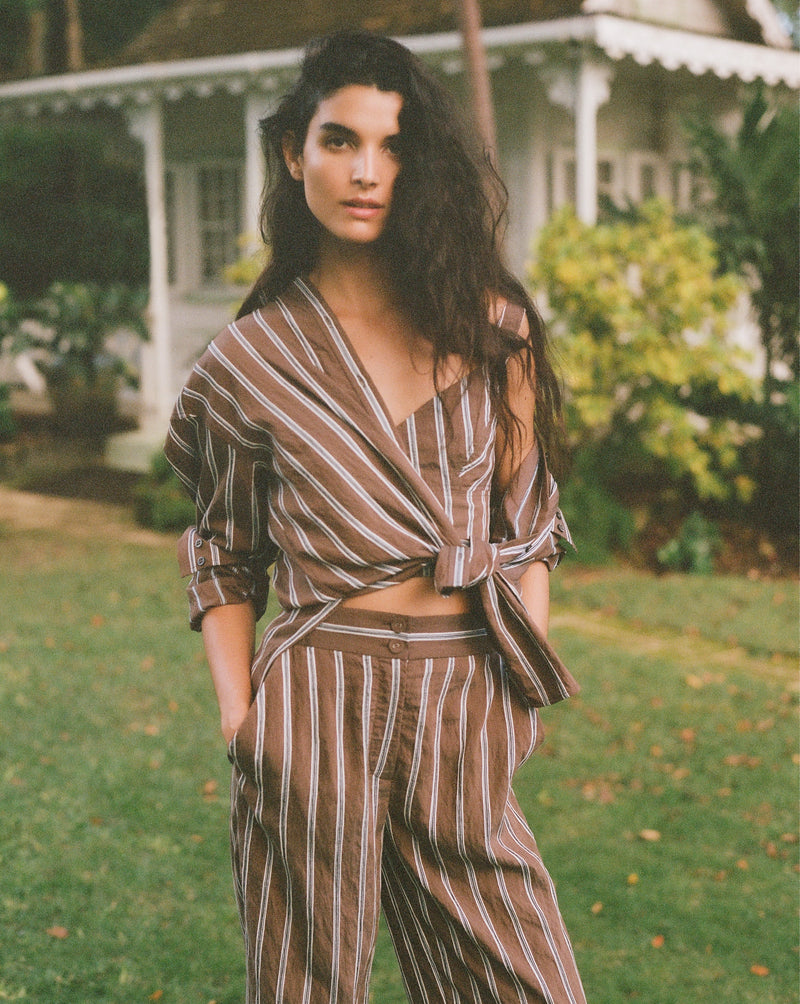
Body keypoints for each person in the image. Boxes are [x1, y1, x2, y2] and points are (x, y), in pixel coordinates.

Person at [165, 29, 586, 1004]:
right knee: (306, 984)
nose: (367, 171)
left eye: (394, 146)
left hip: (462, 685)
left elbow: (528, 521)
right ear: (293, 153)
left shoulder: (491, 328)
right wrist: (242, 718)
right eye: (340, 140)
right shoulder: (251, 360)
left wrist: (513, 698)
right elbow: (223, 548)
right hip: (316, 690)